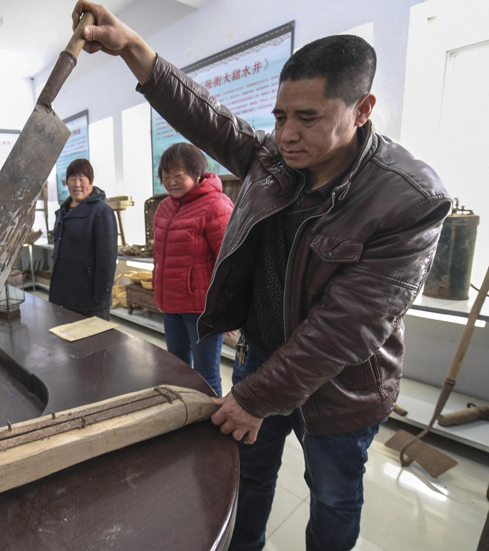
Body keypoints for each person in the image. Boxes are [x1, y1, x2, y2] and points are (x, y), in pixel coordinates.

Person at [71, 3, 451, 550]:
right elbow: (207, 116)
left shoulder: (409, 199)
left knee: (333, 496)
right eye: (279, 117)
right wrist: (133, 47)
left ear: (362, 108)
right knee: (247, 478)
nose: (287, 134)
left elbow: (349, 326)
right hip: (260, 358)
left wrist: (254, 397)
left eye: (308, 118)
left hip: (340, 388)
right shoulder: (274, 157)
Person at [153, 142, 233, 397]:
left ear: (197, 174)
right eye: (166, 176)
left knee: (206, 374)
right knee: (176, 368)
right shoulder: (164, 207)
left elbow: (230, 260)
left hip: (202, 310)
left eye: (179, 175)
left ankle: (212, 429)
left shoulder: (216, 206)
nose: (171, 182)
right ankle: (183, 417)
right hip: (171, 306)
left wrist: (229, 307)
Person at [49, 158, 118, 320]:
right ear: (67, 183)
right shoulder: (63, 211)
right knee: (65, 340)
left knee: (94, 342)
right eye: (72, 179)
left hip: (89, 297)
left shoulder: (102, 211)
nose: (77, 184)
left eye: (82, 179)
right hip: (64, 294)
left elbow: (107, 258)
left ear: (91, 182)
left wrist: (102, 297)